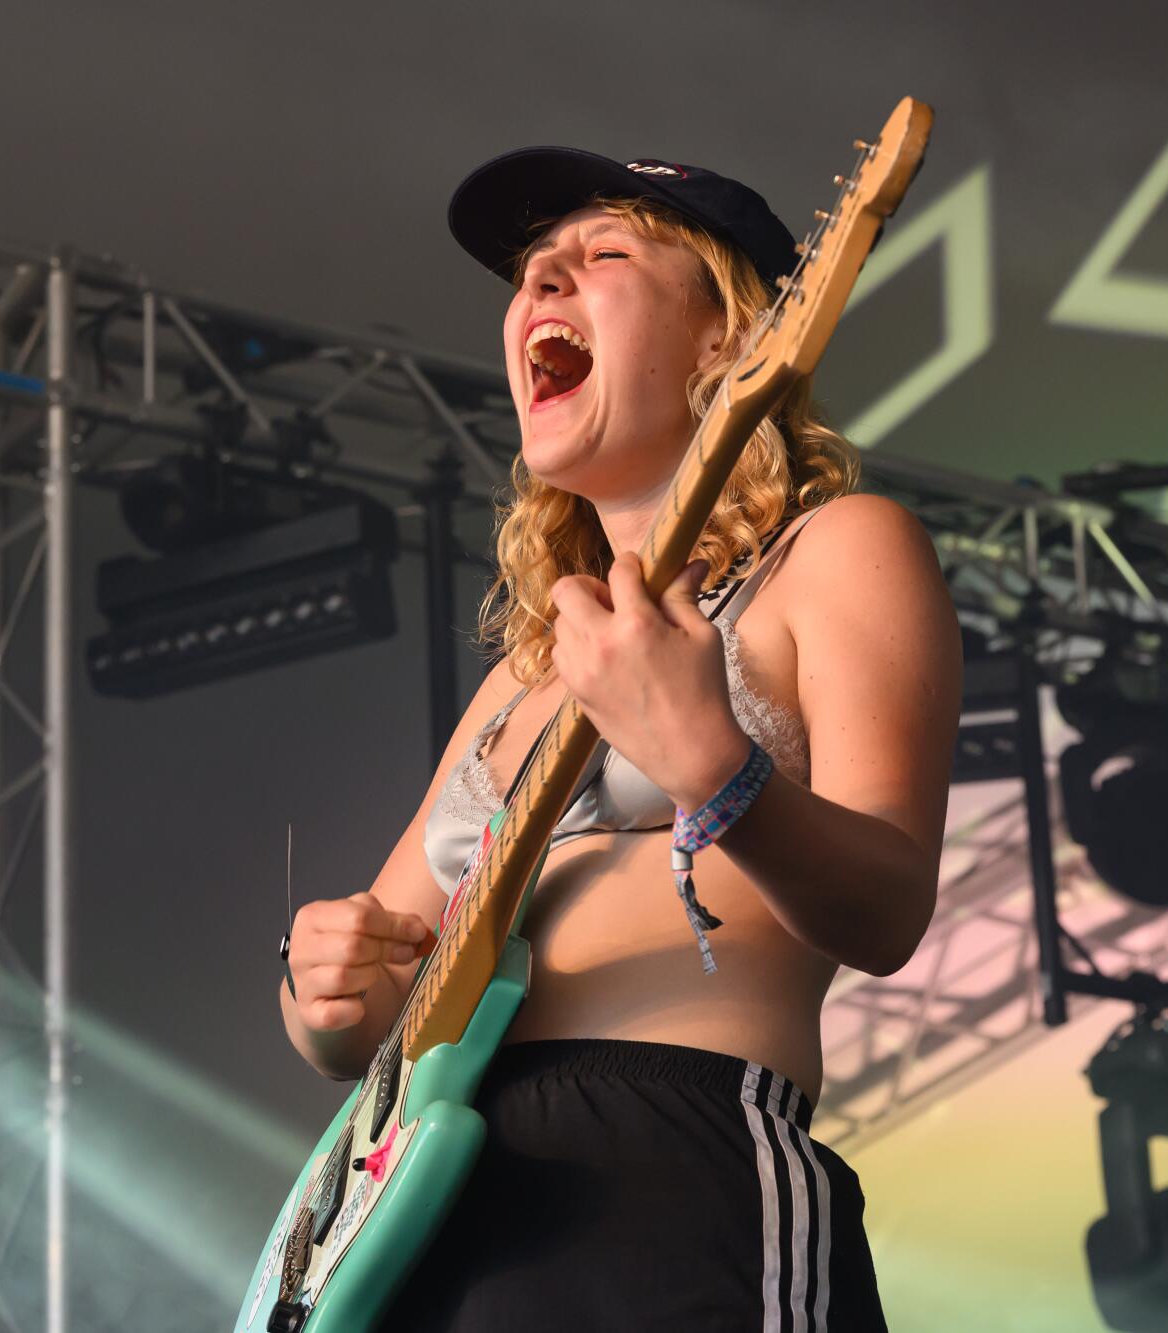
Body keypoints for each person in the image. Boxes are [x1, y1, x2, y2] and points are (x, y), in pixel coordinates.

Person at [277, 146, 962, 1330]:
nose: (543, 285)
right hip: (431, 1216)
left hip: (674, 1161)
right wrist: (322, 991)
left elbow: (888, 906)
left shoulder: (838, 550)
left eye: (599, 258)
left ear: (726, 339)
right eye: (531, 273)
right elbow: (375, 1001)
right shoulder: (522, 675)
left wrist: (711, 761)